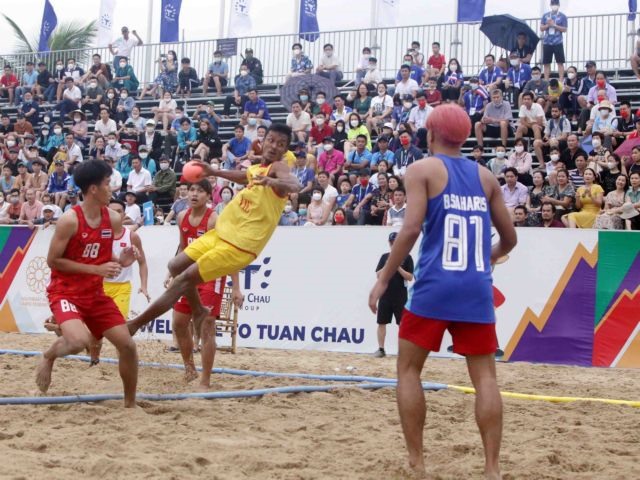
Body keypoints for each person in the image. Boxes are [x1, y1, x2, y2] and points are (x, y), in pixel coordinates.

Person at [368, 104, 516, 479]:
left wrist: (385, 277)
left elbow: (411, 228)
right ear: (465, 136)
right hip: (475, 287)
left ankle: (417, 463)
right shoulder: (486, 177)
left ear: (430, 135)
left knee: (408, 371)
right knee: (484, 378)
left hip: (435, 286)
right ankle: (492, 469)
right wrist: (486, 258)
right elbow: (510, 239)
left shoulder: (422, 169)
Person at [126, 124, 300, 338]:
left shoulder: (278, 168)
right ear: (262, 142)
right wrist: (214, 171)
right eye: (271, 140)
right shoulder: (257, 169)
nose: (274, 146)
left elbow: (294, 184)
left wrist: (272, 181)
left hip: (239, 246)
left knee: (182, 281)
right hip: (221, 235)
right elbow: (243, 175)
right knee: (174, 265)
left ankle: (135, 324)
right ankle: (198, 309)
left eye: (280, 144)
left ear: (285, 151)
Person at [36, 160, 139, 407]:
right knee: (78, 341)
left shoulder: (113, 219)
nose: (112, 188)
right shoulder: (70, 220)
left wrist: (120, 261)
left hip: (94, 293)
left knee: (127, 345)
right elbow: (53, 261)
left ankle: (130, 405)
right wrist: (97, 268)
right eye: (107, 183)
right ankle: (49, 355)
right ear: (93, 189)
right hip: (65, 292)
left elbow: (101, 257)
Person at [170, 181, 242, 388]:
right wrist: (173, 273)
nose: (194, 194)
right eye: (191, 190)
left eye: (200, 191)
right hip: (189, 275)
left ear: (209, 196)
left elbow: (230, 253)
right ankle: (189, 369)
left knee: (206, 326)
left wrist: (236, 287)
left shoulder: (214, 220)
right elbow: (184, 250)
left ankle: (206, 380)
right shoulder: (182, 217)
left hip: (212, 275)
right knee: (178, 323)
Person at [373, 232, 414, 358]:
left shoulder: (407, 257)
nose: (393, 244)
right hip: (385, 295)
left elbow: (410, 277)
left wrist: (398, 267)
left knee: (402, 324)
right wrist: (388, 265)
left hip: (400, 295)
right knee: (381, 322)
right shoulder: (385, 257)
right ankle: (381, 349)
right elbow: (378, 275)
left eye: (396, 242)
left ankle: (402, 350)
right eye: (391, 242)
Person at [540, 0, 568, 81]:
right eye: (553, 4)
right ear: (550, 5)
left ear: (558, 5)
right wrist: (548, 25)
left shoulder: (563, 16)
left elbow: (564, 29)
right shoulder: (545, 16)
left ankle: (561, 79)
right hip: (547, 42)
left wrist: (554, 25)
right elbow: (541, 28)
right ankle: (546, 80)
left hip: (558, 42)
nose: (554, 5)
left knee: (560, 62)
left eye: (556, 4)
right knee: (546, 63)